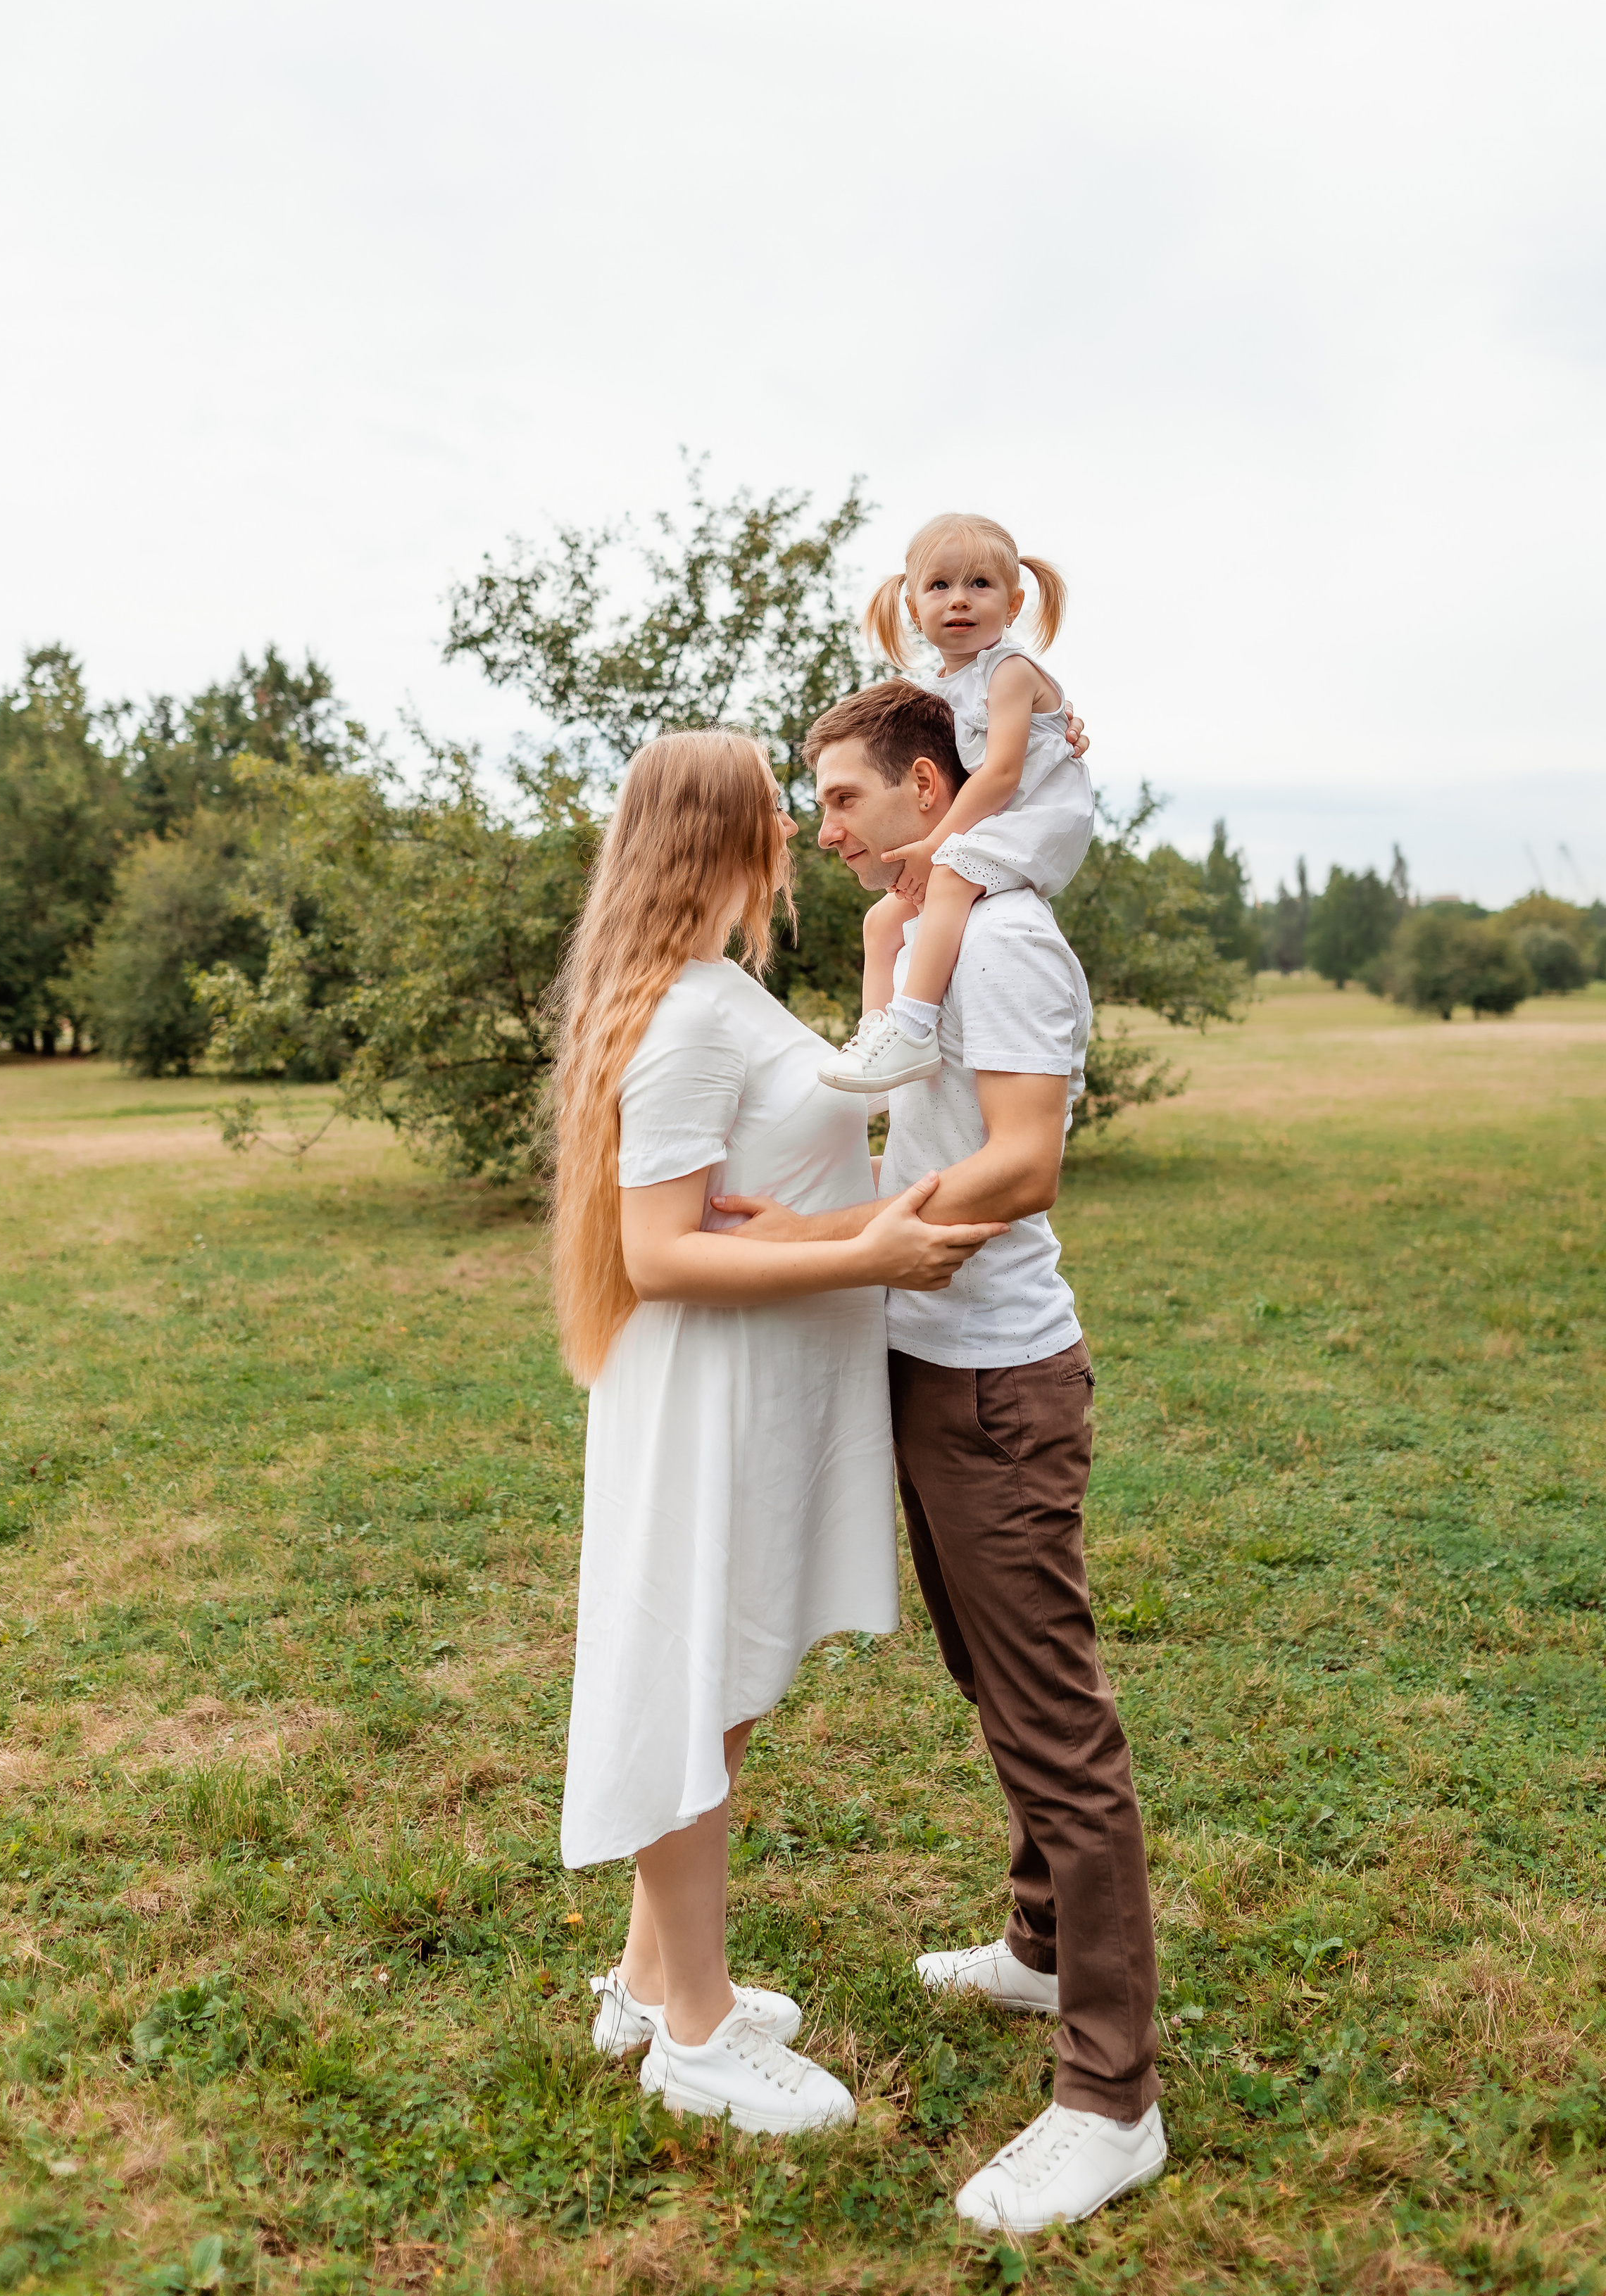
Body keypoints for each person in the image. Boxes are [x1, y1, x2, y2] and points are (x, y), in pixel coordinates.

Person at [714, 681, 1166, 2231]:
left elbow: (1022, 1160)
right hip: (923, 1367)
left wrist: (825, 1240)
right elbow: (889, 1105)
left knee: (1055, 1726)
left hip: (996, 1384)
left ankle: (1111, 2101)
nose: (819, 828)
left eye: (841, 800)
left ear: (926, 785)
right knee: (991, 1684)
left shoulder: (1012, 936)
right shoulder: (919, 940)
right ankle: (1042, 1952)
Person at [551, 727, 1005, 2137]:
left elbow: (808, 1137)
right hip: (707, 1398)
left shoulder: (713, 990)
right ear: (718, 835)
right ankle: (694, 2033)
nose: (797, 834)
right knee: (694, 1689)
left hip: (755, 1392)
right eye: (775, 810)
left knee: (725, 1689)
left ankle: (644, 1984)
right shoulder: (684, 1019)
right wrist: (868, 1257)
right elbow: (664, 1253)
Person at [819, 512, 1094, 1099]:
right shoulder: (934, 691)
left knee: (945, 877)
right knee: (883, 918)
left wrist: (934, 841)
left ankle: (915, 1027)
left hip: (1034, 819)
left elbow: (1000, 774)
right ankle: (880, 1044)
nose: (960, 600)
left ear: (1014, 603)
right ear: (914, 610)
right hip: (988, 821)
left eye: (980, 585)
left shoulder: (1011, 670)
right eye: (940, 586)